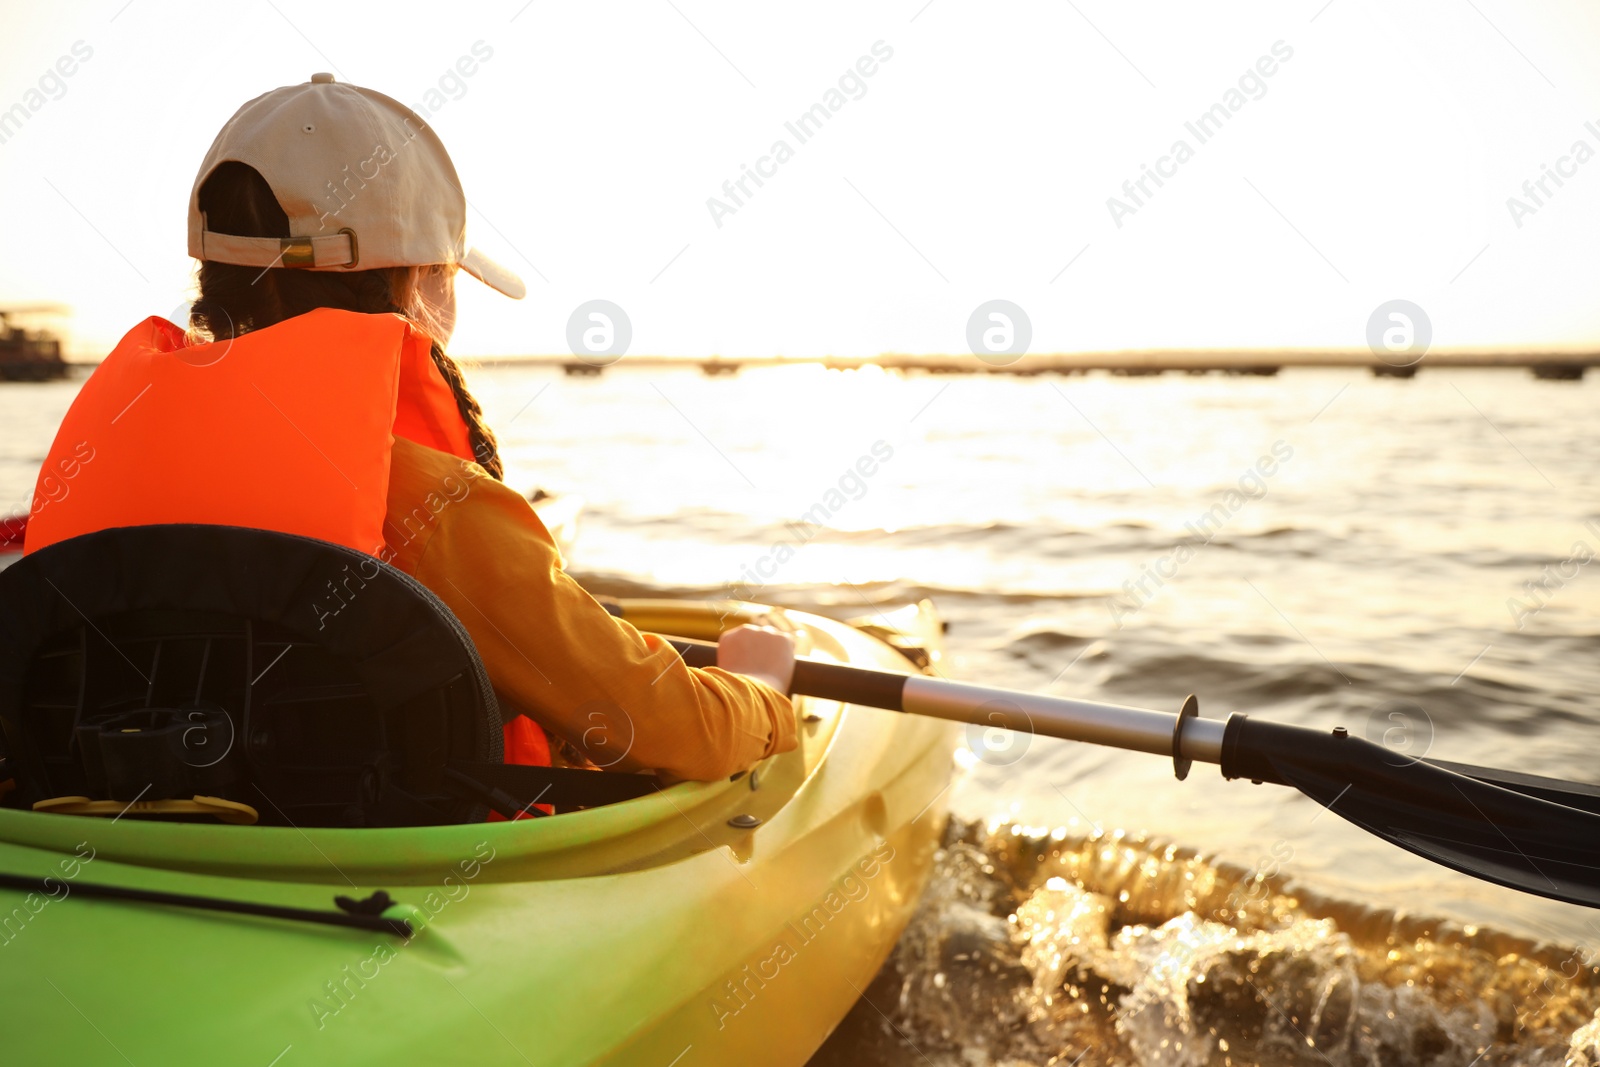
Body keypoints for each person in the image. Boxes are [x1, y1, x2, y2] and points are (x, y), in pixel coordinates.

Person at [26, 74, 797, 785]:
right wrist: (759, 685)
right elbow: (673, 732)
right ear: (417, 284)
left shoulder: (111, 452)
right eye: (449, 277)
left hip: (114, 832)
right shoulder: (432, 502)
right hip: (373, 878)